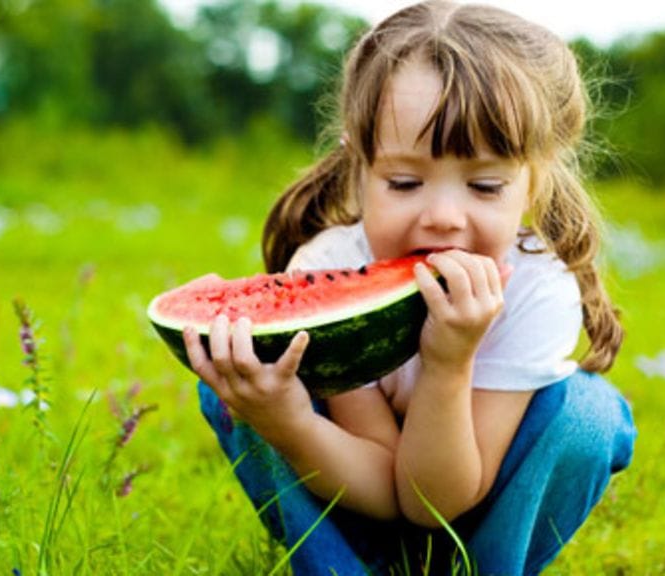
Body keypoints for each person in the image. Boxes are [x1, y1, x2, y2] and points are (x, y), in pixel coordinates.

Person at [181, 1, 637, 574]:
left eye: (486, 186)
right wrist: (285, 419)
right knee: (241, 381)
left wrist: (449, 363)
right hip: (351, 495)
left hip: (478, 516)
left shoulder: (537, 293)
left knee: (589, 414)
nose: (444, 217)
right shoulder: (328, 263)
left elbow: (431, 506)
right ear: (360, 166)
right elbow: (387, 488)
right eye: (404, 182)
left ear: (533, 183)